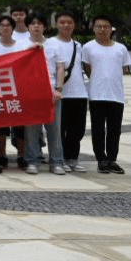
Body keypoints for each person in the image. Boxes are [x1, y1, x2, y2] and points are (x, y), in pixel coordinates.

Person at [81, 15, 131, 174]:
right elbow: (87, 68)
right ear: (94, 28)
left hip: (116, 95)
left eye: (106, 26)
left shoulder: (120, 48)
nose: (102, 29)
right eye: (99, 26)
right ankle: (101, 159)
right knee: (98, 129)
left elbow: (125, 69)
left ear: (111, 29)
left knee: (114, 129)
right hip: (97, 95)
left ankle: (112, 159)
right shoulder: (88, 47)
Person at [23, 12, 65, 175]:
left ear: (44, 27)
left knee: (54, 130)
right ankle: (32, 161)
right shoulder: (21, 44)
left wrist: (59, 89)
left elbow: (60, 68)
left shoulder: (54, 45)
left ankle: (56, 162)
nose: (36, 26)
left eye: (39, 23)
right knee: (31, 130)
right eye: (33, 23)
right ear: (28, 27)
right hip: (30, 94)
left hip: (51, 93)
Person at [0, 15, 27, 173]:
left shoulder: (22, 45)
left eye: (8, 25)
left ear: (12, 28)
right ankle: (1, 154)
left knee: (20, 124)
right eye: (2, 25)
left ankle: (21, 155)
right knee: (0, 125)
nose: (5, 28)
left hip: (18, 89)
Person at [51, 12, 88, 173]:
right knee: (60, 129)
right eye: (62, 22)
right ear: (56, 24)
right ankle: (61, 158)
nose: (66, 25)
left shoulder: (78, 45)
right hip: (60, 94)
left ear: (74, 25)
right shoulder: (50, 43)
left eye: (69, 22)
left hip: (79, 93)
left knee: (77, 130)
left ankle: (73, 158)